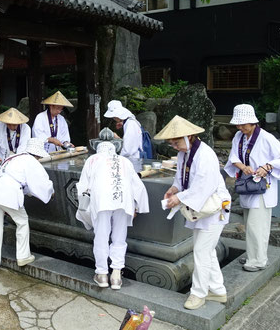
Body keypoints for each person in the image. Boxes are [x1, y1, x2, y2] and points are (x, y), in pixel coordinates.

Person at [158, 115, 231, 310]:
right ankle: (217, 290)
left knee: (201, 251)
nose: (174, 146)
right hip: (202, 208)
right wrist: (174, 189)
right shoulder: (185, 153)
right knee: (206, 251)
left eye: (176, 142)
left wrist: (179, 198)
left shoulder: (205, 154)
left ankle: (198, 294)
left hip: (214, 208)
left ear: (189, 136)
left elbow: (203, 186)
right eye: (171, 143)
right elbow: (181, 177)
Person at [223, 104, 280, 272]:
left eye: (243, 124)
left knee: (257, 225)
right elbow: (233, 158)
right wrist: (243, 166)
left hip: (262, 187)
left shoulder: (266, 137)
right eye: (238, 125)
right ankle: (253, 256)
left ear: (253, 122)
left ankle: (258, 261)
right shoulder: (239, 136)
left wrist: (267, 166)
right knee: (249, 224)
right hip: (248, 184)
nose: (240, 127)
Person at [76, 141, 149, 289]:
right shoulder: (124, 160)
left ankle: (102, 274)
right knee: (119, 237)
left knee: (101, 236)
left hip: (101, 200)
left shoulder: (93, 159)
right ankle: (116, 275)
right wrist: (137, 205)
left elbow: (83, 185)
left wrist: (84, 208)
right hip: (123, 200)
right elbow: (137, 184)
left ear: (98, 150)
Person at [0, 137, 55, 278]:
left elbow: (24, 184)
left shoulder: (14, 157)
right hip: (9, 192)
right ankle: (23, 256)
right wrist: (51, 192)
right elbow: (43, 184)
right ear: (38, 154)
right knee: (22, 221)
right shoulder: (31, 161)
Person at [104, 100, 143, 172]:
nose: (114, 119)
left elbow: (127, 150)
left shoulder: (130, 125)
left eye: (114, 117)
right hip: (132, 158)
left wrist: (117, 159)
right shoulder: (128, 123)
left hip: (133, 160)